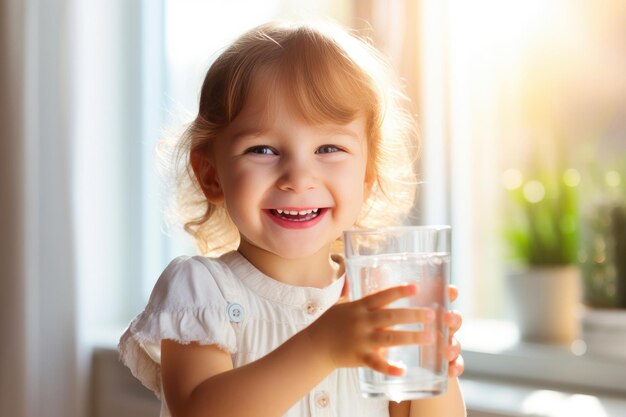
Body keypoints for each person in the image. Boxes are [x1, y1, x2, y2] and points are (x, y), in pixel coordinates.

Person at [119, 19, 465, 417]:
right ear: (211, 174)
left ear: (367, 176)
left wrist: (432, 364)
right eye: (263, 150)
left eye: (329, 147)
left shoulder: (371, 302)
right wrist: (322, 346)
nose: (299, 178)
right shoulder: (202, 292)